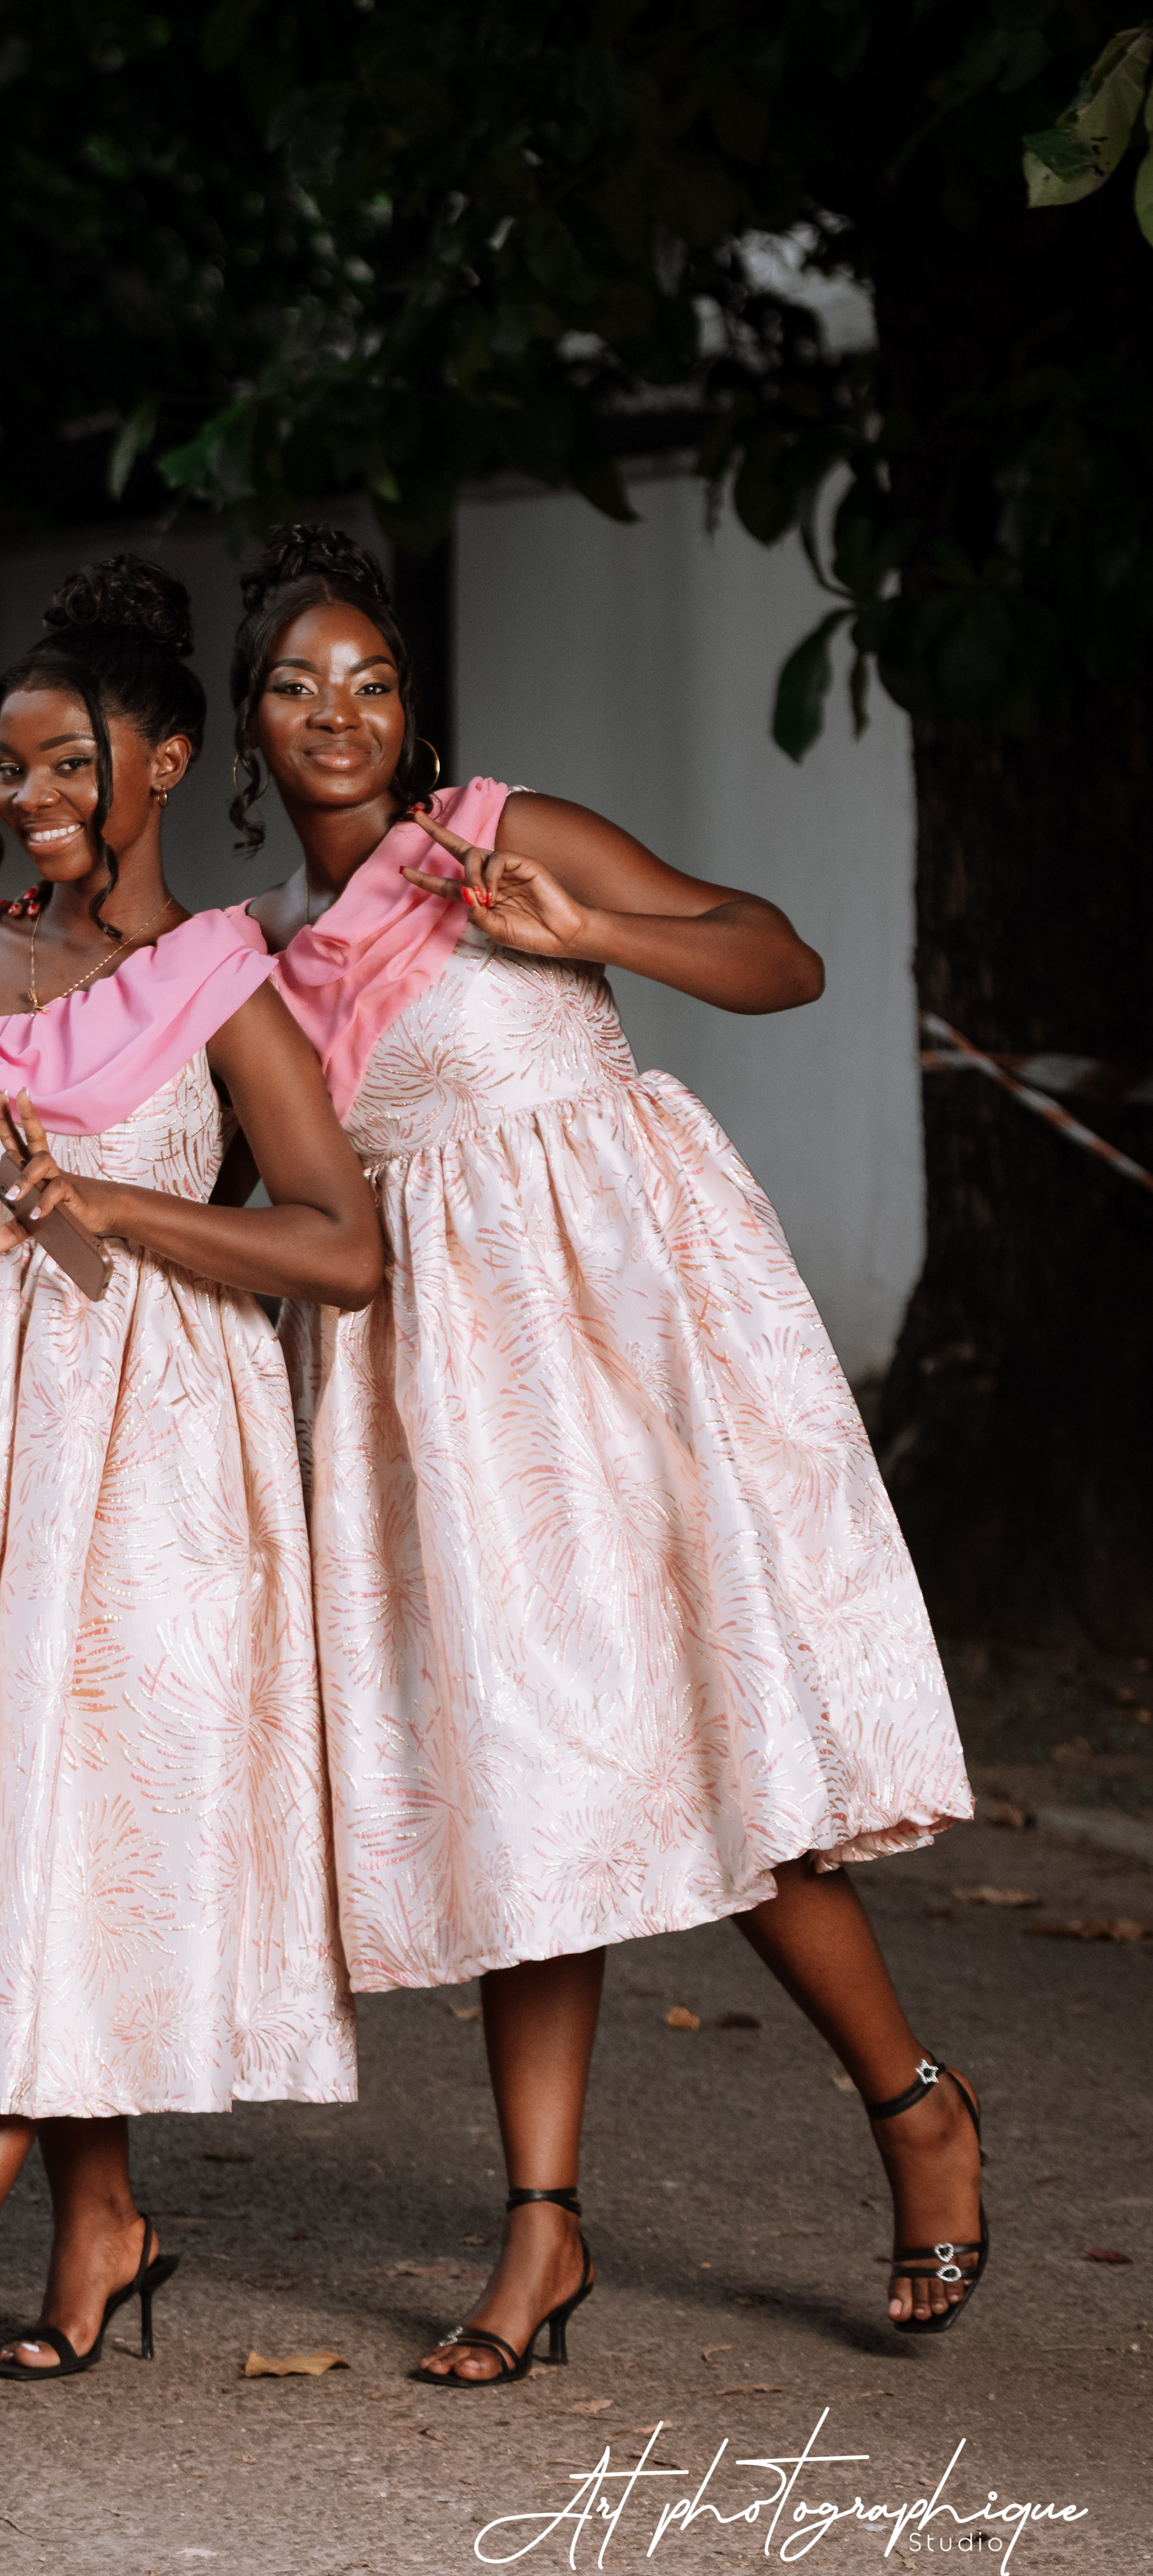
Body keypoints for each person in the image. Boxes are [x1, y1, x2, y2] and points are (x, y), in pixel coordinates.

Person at [232, 524, 982, 2380]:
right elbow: (231, 1184)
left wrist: (585, 935)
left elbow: (779, 959)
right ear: (247, 725)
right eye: (296, 685)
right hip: (438, 1407)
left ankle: (911, 2106)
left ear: (411, 710)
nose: (337, 712)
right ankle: (540, 2230)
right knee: (527, 1789)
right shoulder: (251, 965)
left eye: (369, 681)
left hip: (625, 1349)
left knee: (713, 1748)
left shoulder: (505, 837)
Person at [0, 556, 384, 2412]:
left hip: (156, 1454)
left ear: (163, 765)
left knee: (85, 1821)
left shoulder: (219, 981)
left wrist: (116, 1204)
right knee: (3, 1829)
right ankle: (99, 2220)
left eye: (64, 765)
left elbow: (340, 1248)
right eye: (9, 767)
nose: (26, 796)